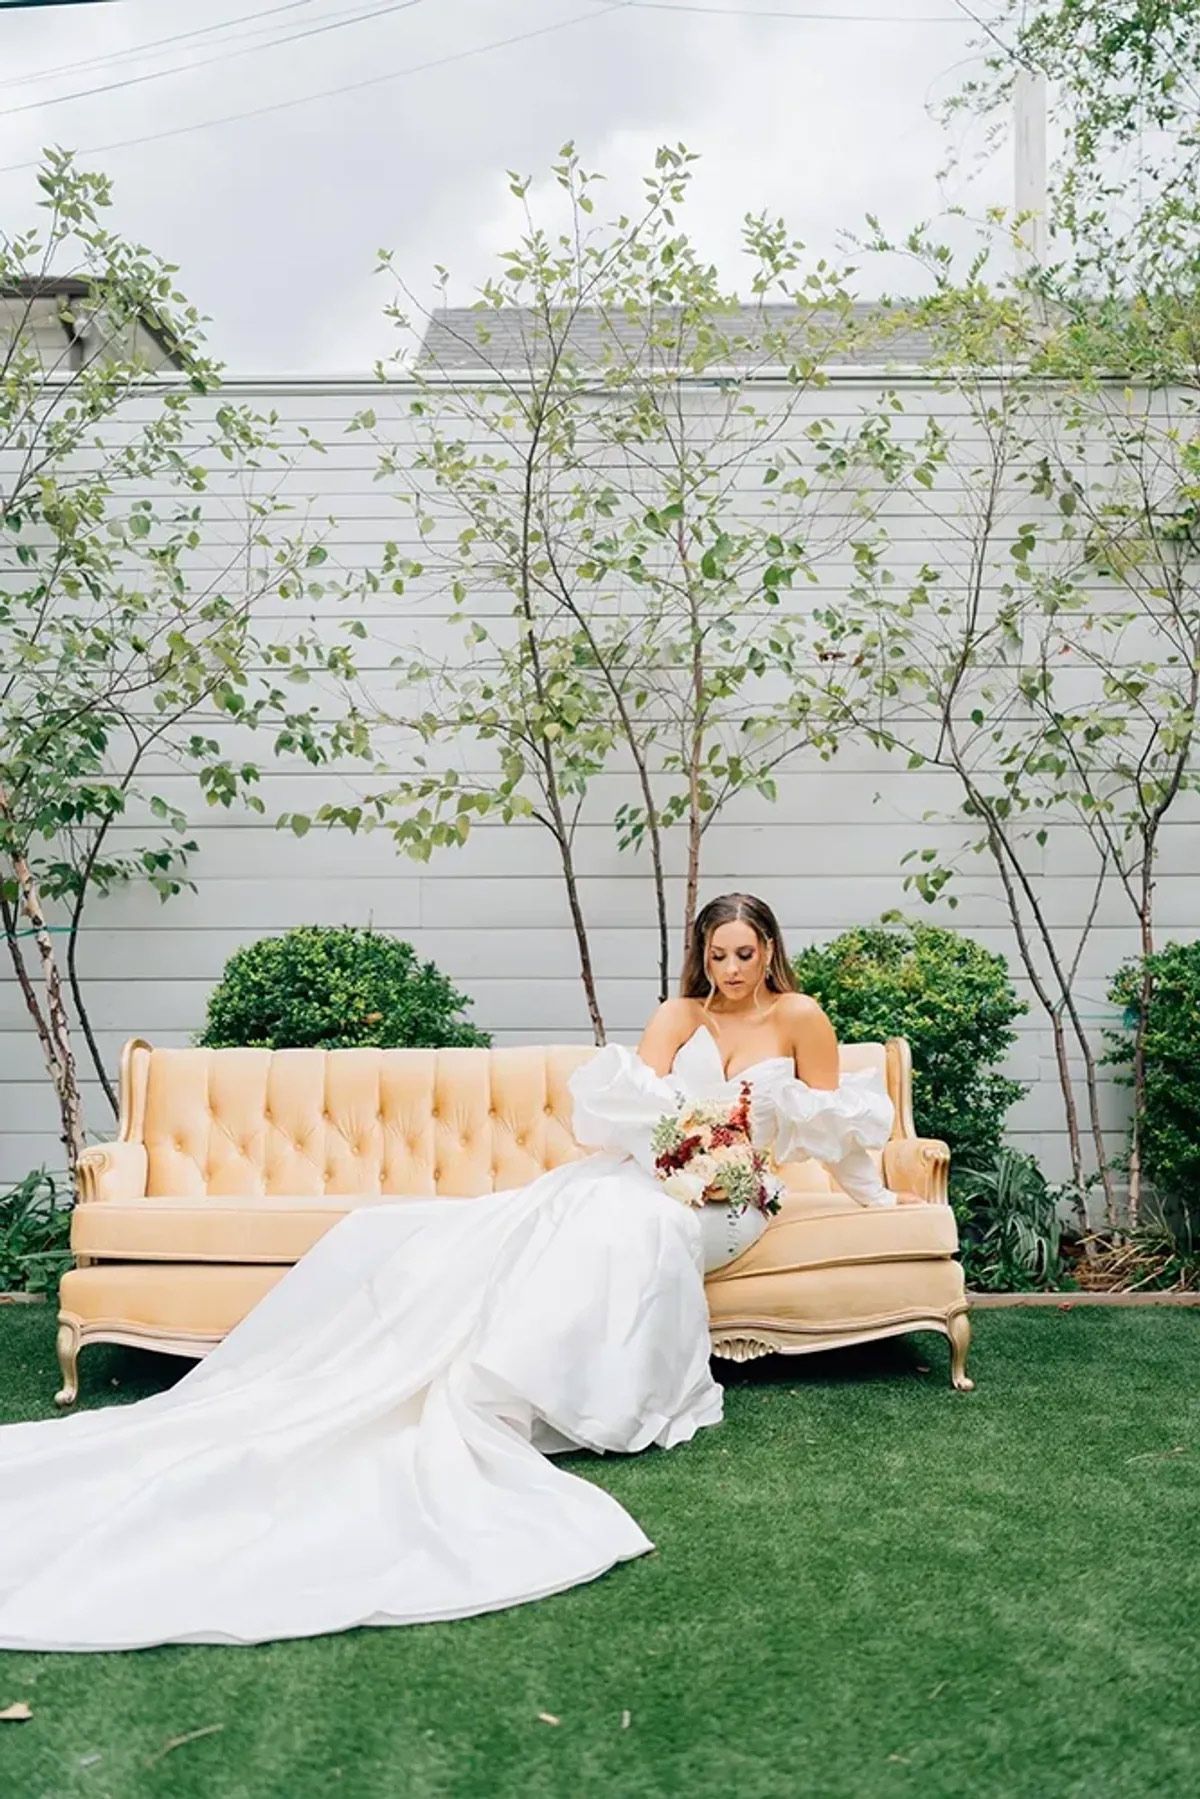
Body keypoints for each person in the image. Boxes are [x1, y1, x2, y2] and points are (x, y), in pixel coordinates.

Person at [0, 893, 909, 1653]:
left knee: (638, 1229)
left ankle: (580, 1379)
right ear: (700, 956)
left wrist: (857, 1192)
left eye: (745, 954)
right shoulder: (680, 1016)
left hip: (738, 1196)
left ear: (771, 949)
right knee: (581, 1214)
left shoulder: (801, 1017)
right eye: (716, 955)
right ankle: (500, 1376)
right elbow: (626, 1108)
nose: (731, 971)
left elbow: (832, 1124)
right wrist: (670, 1141)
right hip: (655, 1172)